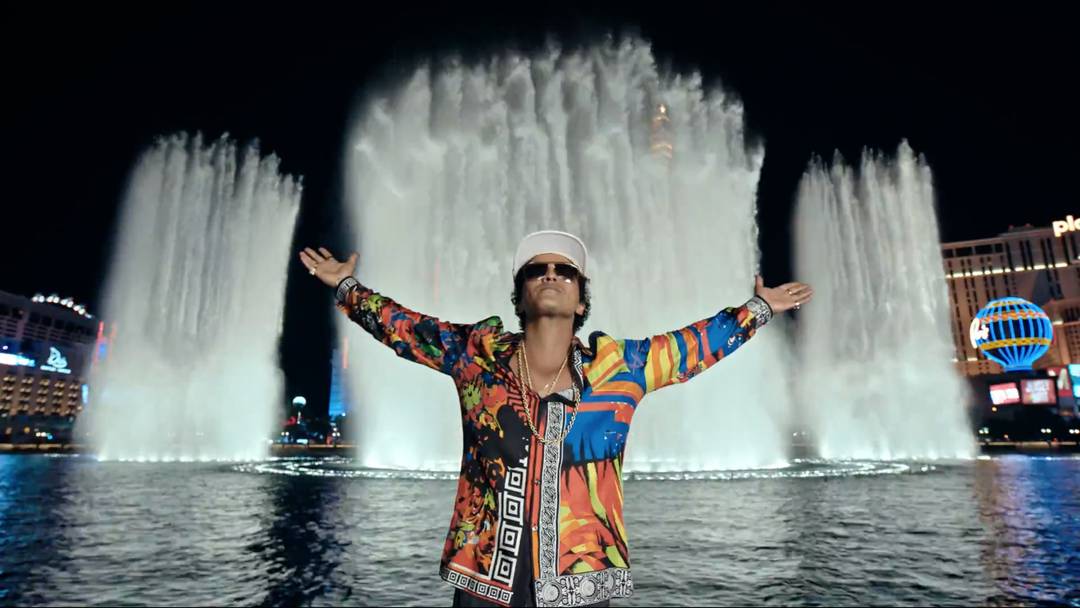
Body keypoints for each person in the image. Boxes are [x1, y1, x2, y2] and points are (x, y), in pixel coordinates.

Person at [299, 231, 813, 607]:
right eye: (536, 270)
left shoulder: (620, 369)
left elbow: (692, 346)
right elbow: (405, 329)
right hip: (484, 578)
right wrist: (346, 286)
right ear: (519, 294)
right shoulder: (476, 354)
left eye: (565, 271)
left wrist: (758, 309)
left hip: (581, 577)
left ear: (581, 298)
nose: (550, 275)